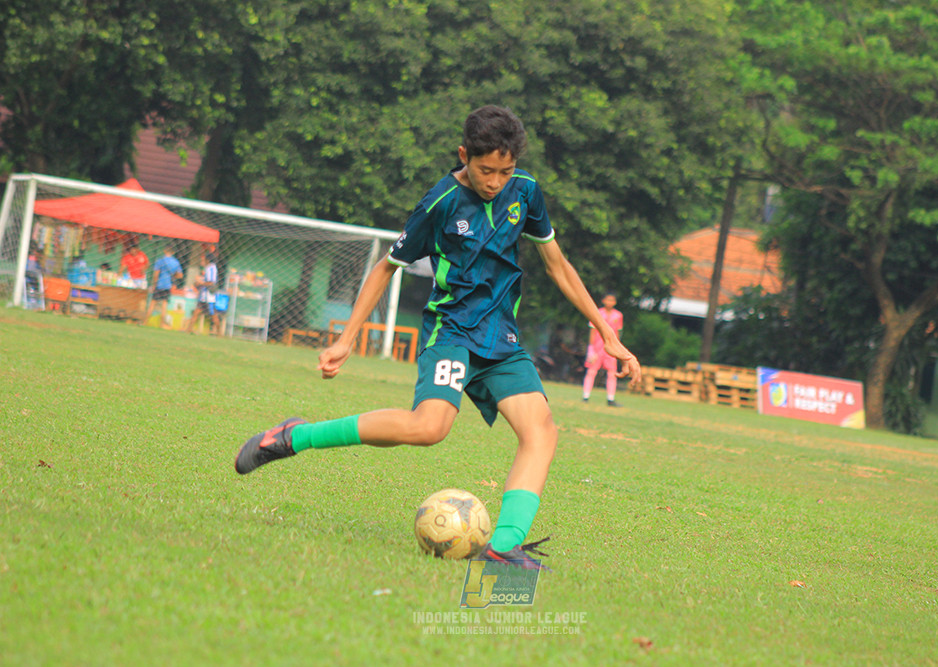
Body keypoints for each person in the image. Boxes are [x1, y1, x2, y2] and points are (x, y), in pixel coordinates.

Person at [234, 105, 641, 570]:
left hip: (501, 339)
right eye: (486, 170)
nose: (495, 181)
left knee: (541, 431)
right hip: (451, 332)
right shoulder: (440, 202)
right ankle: (295, 436)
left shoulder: (525, 192)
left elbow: (558, 265)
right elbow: (386, 267)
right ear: (464, 155)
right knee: (429, 428)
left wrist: (606, 333)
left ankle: (504, 546)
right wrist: (346, 338)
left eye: (505, 171)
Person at [582, 293, 625, 407]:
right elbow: (592, 330)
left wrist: (617, 347)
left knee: (612, 373)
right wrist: (591, 348)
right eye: (608, 300)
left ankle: (610, 398)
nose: (609, 302)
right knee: (591, 371)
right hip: (597, 347)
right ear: (603, 300)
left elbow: (618, 332)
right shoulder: (598, 313)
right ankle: (586, 396)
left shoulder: (618, 315)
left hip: (610, 348)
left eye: (612, 300)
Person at [145, 246, 183, 328]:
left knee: (152, 304)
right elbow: (180, 275)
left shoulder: (160, 260)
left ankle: (145, 321)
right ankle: (162, 323)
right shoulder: (176, 262)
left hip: (159, 284)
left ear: (164, 250)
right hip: (168, 285)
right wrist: (173, 275)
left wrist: (154, 284)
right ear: (173, 253)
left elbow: (156, 274)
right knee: (164, 305)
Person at [186, 252, 219, 335]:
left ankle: (219, 333)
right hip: (204, 296)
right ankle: (189, 329)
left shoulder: (211, 268)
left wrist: (201, 283)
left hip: (209, 296)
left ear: (207, 260)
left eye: (204, 259)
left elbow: (211, 282)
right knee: (197, 311)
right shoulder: (210, 268)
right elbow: (207, 280)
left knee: (213, 314)